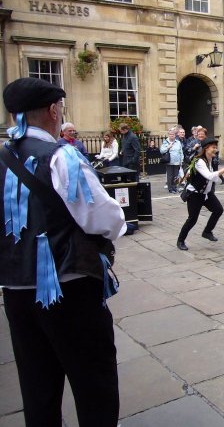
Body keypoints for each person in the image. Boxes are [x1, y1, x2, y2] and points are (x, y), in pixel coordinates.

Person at [0, 77, 126, 426]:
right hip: (68, 289)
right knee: (94, 383)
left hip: (15, 292)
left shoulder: (3, 156)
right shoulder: (60, 157)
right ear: (54, 110)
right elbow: (106, 219)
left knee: (37, 385)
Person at [177, 138, 224, 250]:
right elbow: (210, 176)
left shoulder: (210, 160)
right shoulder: (200, 161)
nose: (215, 150)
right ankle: (180, 240)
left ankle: (207, 232)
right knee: (192, 219)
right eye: (213, 147)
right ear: (206, 148)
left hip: (206, 193)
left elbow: (212, 178)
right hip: (195, 194)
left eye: (216, 148)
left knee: (218, 210)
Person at [160, 127, 184, 193]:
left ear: (175, 135)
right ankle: (170, 188)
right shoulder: (166, 142)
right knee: (170, 176)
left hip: (177, 162)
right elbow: (161, 151)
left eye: (173, 134)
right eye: (170, 134)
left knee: (176, 176)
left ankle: (174, 187)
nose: (172, 135)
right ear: (168, 135)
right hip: (169, 162)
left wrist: (181, 160)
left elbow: (181, 152)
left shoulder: (178, 142)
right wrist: (168, 147)